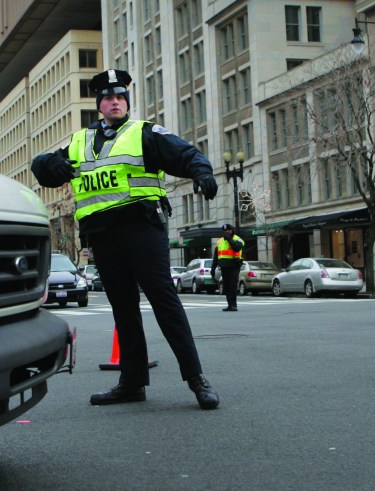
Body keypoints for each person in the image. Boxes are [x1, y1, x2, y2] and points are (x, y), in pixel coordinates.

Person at [31, 69, 220, 410]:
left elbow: (186, 153)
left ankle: (196, 379)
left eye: (120, 96)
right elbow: (42, 164)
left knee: (165, 301)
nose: (114, 101)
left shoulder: (143, 133)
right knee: (123, 308)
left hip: (141, 228)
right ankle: (132, 383)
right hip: (102, 235)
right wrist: (48, 168)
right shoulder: (80, 141)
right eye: (107, 97)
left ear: (127, 102)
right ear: (99, 104)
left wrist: (202, 172)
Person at [211, 224, 245, 312]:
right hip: (224, 266)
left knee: (232, 285)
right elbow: (216, 256)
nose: (226, 232)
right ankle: (229, 305)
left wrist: (229, 239)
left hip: (234, 265)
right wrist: (213, 268)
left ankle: (234, 305)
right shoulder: (219, 241)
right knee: (226, 286)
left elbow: (237, 248)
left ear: (231, 231)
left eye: (228, 230)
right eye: (224, 231)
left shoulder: (237, 239)